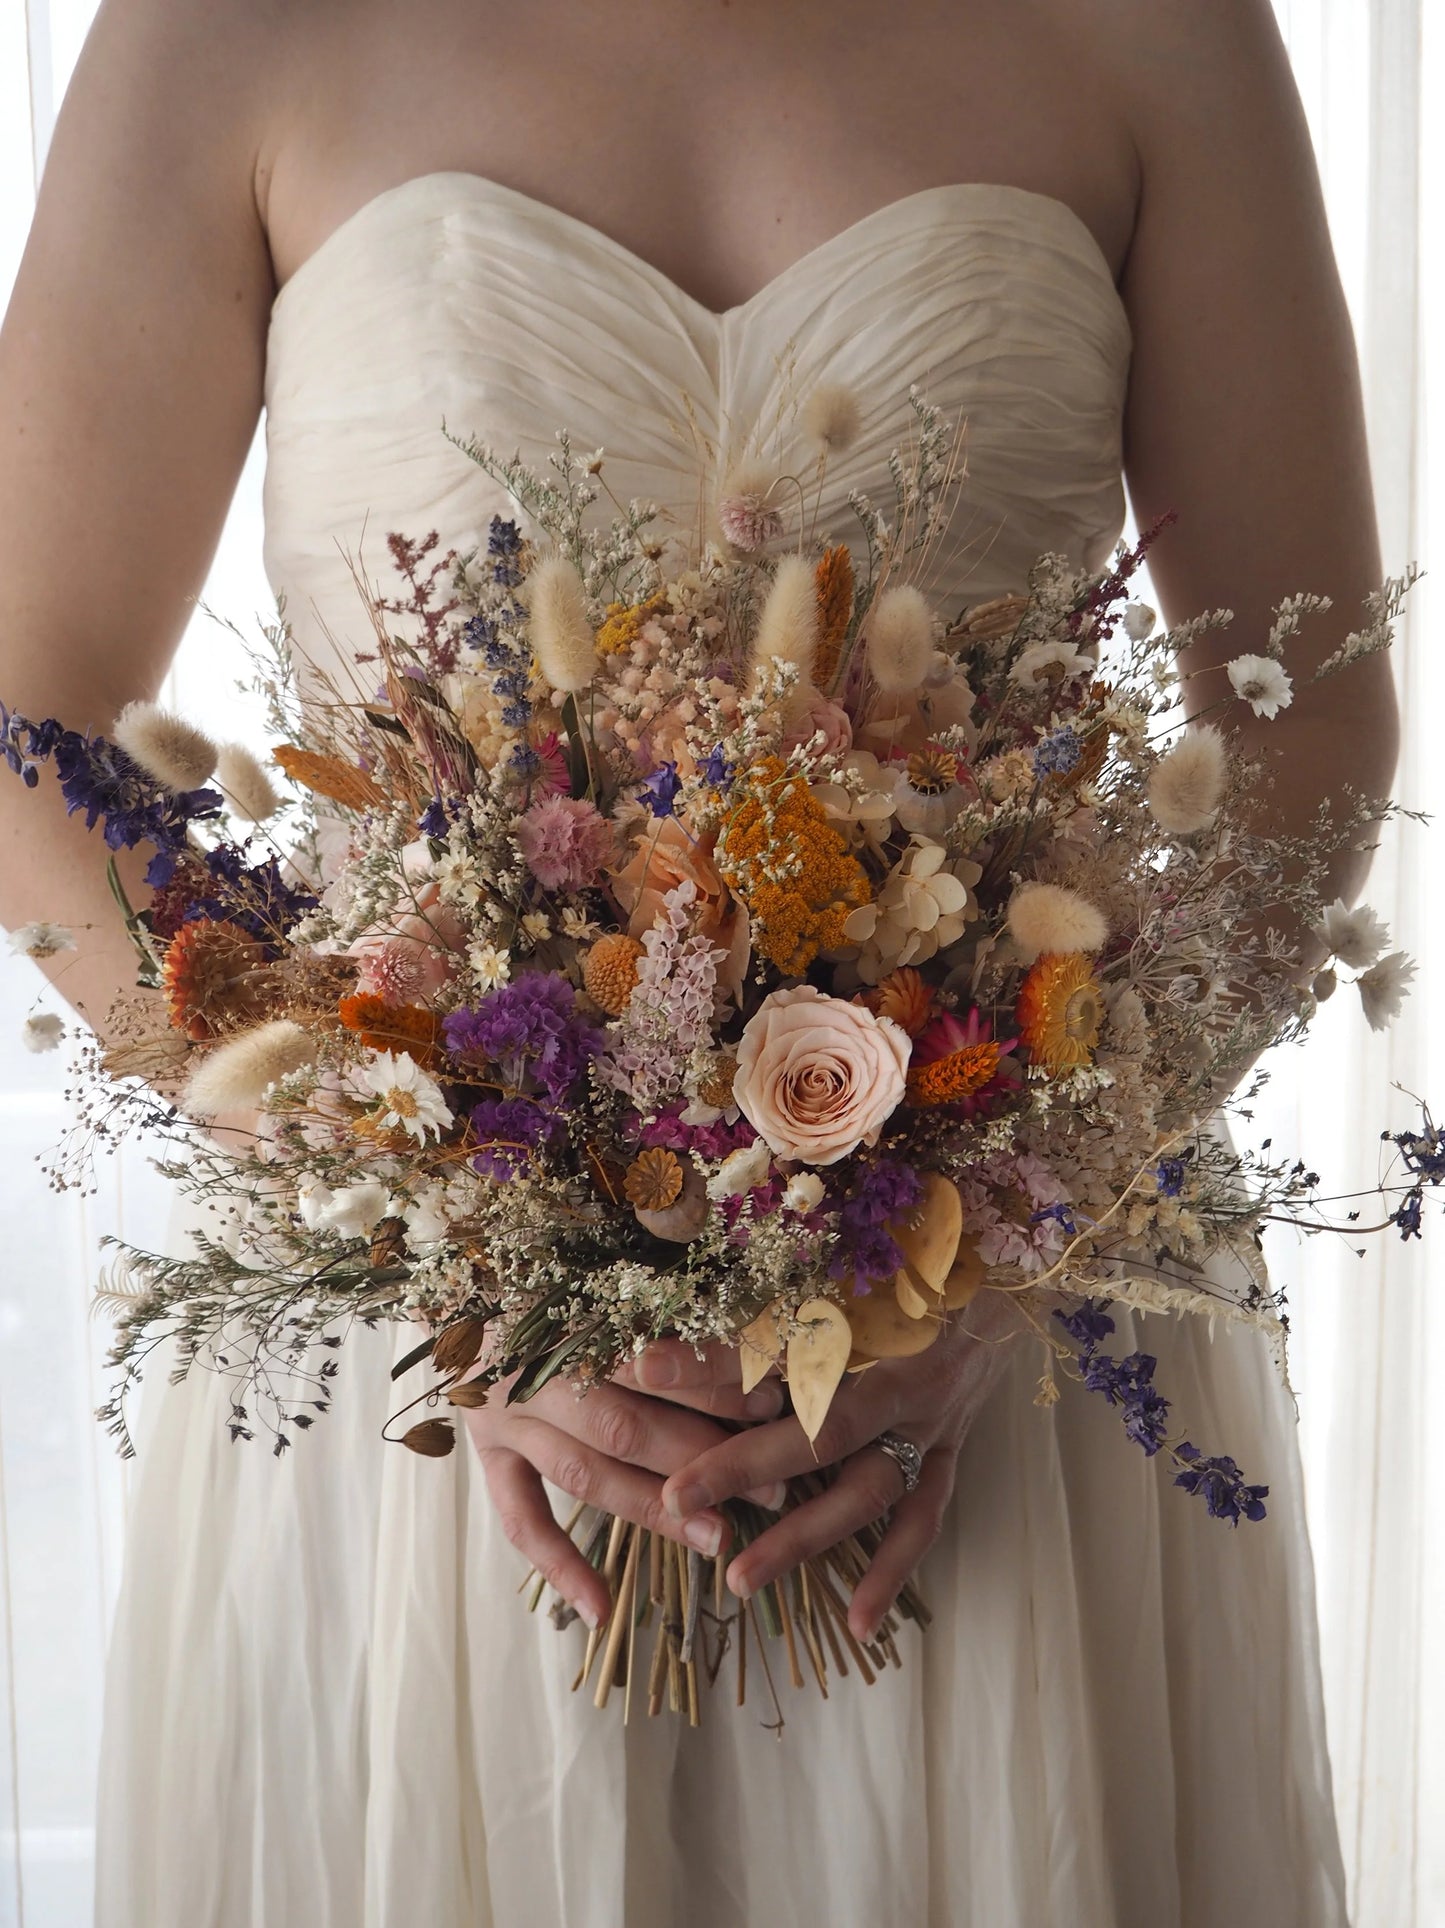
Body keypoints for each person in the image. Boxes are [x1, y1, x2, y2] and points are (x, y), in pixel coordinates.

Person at [0, 1, 1396, 1922]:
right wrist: (430, 1242)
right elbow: (32, 723)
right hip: (437, 1397)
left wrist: (1005, 1251)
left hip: (1001, 1377)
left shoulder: (1162, 30)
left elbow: (1307, 725)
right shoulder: (217, 33)